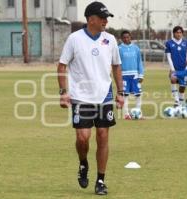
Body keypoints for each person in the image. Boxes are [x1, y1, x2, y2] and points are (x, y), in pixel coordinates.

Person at [57, 1, 124, 195]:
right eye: (102, 18)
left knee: (103, 136)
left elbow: (116, 66)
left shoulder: (110, 39)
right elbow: (62, 66)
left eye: (106, 18)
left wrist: (120, 93)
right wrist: (63, 93)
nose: (105, 21)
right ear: (91, 19)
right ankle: (83, 163)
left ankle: (101, 180)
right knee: (83, 138)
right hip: (80, 96)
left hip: (104, 95)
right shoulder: (74, 39)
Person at [165, 26, 187, 107]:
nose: (179, 34)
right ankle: (176, 101)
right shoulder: (169, 43)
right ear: (174, 33)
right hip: (175, 69)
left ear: (182, 33)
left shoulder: (186, 42)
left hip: (185, 69)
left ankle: (181, 104)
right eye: (177, 32)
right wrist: (172, 69)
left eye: (180, 32)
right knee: (173, 79)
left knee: (182, 87)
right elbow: (169, 57)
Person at [118, 30, 144, 119]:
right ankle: (126, 115)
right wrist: (119, 76)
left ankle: (138, 114)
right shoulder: (119, 49)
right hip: (124, 75)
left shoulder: (136, 48)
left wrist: (141, 74)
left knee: (138, 94)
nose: (126, 39)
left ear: (130, 37)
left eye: (127, 37)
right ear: (121, 39)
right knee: (125, 95)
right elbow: (117, 64)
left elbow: (139, 61)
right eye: (124, 37)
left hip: (135, 75)